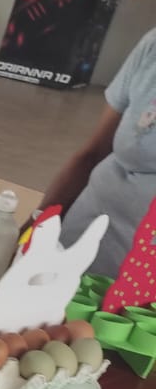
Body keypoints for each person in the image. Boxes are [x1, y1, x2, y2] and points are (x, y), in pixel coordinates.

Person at [39, 28, 156, 276]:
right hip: (78, 239)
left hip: (140, 278)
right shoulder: (152, 46)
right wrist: (37, 226)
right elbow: (93, 152)